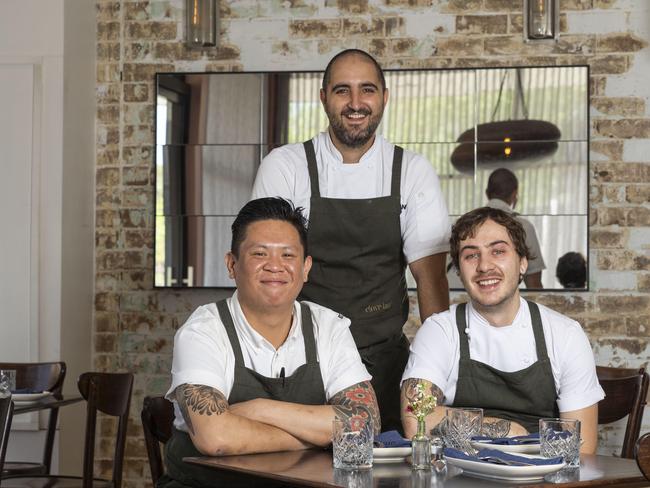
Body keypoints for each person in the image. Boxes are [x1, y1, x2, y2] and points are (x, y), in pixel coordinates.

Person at [251, 49, 451, 432]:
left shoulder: (411, 171)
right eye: (343, 90)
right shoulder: (286, 166)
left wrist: (434, 376)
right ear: (324, 96)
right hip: (302, 363)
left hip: (384, 364)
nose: (356, 103)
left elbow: (431, 281)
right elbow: (263, 273)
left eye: (367, 90)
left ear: (385, 98)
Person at [159, 198, 380, 488]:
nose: (275, 266)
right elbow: (217, 439)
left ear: (305, 268)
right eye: (260, 253)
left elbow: (365, 424)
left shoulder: (328, 327)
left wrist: (260, 409)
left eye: (288, 256)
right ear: (232, 264)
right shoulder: (203, 331)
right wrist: (319, 438)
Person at [400, 207, 604, 453]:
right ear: (458, 271)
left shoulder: (565, 335)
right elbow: (416, 421)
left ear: (522, 263)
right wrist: (511, 431)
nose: (485, 266)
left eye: (498, 251)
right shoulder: (439, 331)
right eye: (471, 255)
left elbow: (582, 450)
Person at [485, 168, 545, 288]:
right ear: (514, 194)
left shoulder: (464, 224)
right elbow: (534, 286)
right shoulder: (523, 227)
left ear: (487, 193)